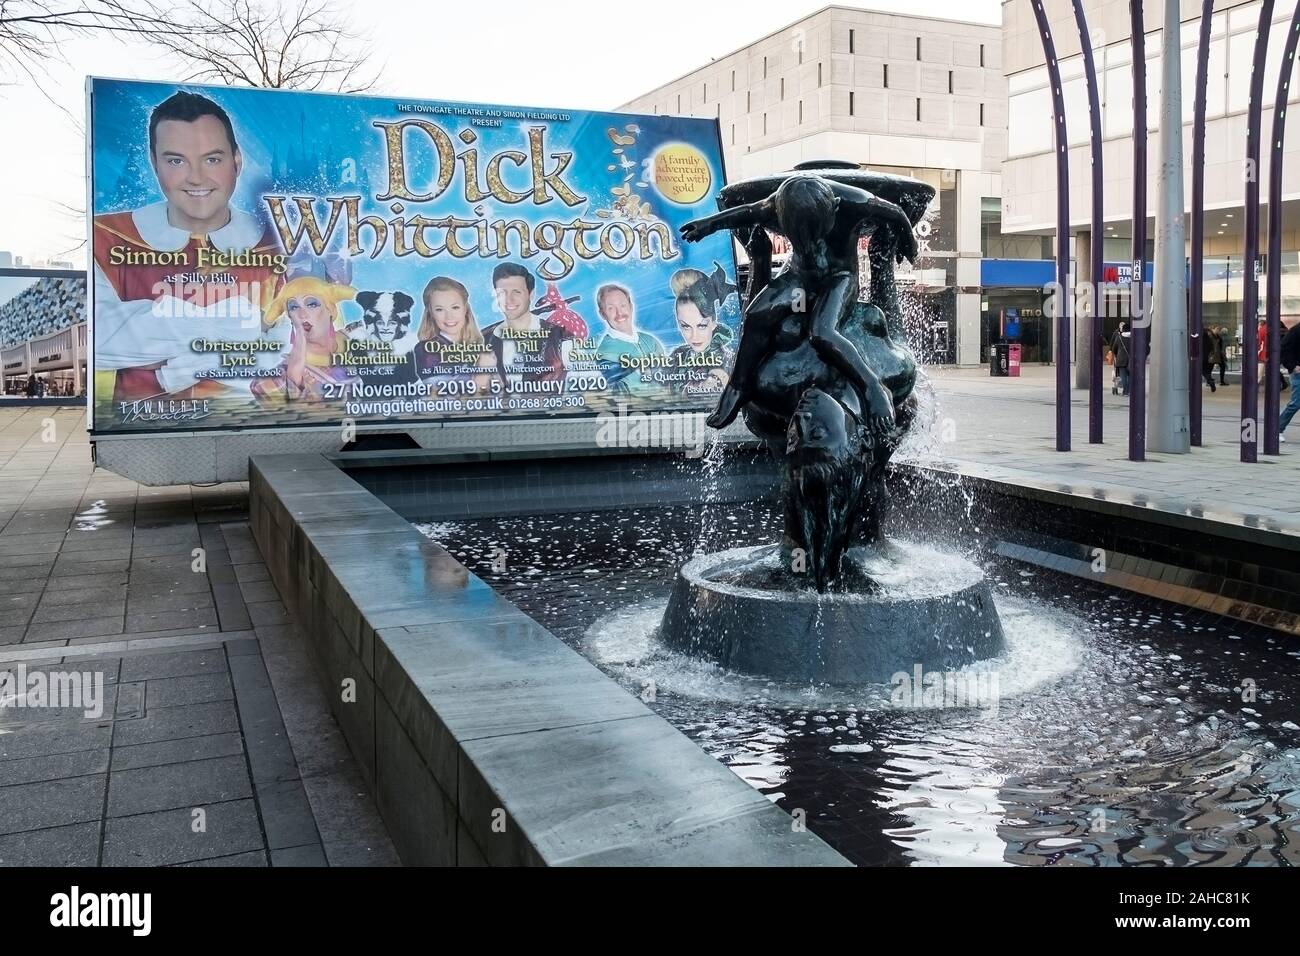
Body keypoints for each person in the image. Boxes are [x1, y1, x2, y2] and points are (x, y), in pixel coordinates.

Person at [92, 90, 288, 406]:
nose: (196, 178)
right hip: (145, 422)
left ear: (237, 161)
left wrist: (175, 361)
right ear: (154, 163)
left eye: (212, 159)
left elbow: (282, 346)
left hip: (251, 416)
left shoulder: (274, 242)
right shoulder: (108, 236)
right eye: (176, 160)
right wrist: (242, 324)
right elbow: (101, 341)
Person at [680, 173, 917, 432]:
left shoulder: (857, 201)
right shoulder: (778, 203)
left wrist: (909, 240)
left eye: (817, 236)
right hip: (800, 277)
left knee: (823, 332)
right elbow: (747, 212)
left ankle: (873, 386)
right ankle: (739, 386)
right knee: (757, 313)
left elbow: (896, 213)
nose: (811, 245)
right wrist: (708, 225)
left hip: (839, 278)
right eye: (800, 238)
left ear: (835, 206)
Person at [251, 274, 356, 405]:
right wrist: (294, 378)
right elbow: (261, 391)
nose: (302, 314)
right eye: (294, 307)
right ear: (290, 317)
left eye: (311, 304)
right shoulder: (289, 369)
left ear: (330, 309)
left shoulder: (360, 337)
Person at [477, 263, 574, 388]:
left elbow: (588, 391)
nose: (509, 299)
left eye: (516, 292)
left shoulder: (561, 338)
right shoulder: (482, 340)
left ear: (531, 294)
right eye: (502, 293)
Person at [667, 264, 737, 395]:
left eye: (702, 325)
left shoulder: (729, 360)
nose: (694, 336)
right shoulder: (677, 355)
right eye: (686, 326)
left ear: (714, 323)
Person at [594, 283, 665, 396]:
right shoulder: (606, 354)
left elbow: (667, 377)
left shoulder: (650, 341)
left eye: (622, 305)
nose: (619, 313)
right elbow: (631, 393)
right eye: (611, 308)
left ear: (631, 307)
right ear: (603, 314)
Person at [415, 276, 485, 385]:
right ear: (431, 313)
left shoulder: (481, 344)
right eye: (439, 309)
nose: (449, 317)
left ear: (465, 309)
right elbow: (439, 394)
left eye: (455, 307)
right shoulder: (426, 350)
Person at [1279, 320, 1300, 443]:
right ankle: (1277, 429)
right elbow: (1284, 348)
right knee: (1296, 403)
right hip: (1298, 372)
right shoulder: (1296, 331)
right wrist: (1292, 366)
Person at [1109, 322, 1131, 396]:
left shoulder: (1119, 337)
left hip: (1121, 360)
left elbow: (1114, 348)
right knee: (1130, 376)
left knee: (1123, 376)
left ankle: (1125, 391)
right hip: (1131, 360)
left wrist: (1117, 354)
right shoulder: (1134, 337)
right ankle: (1130, 390)